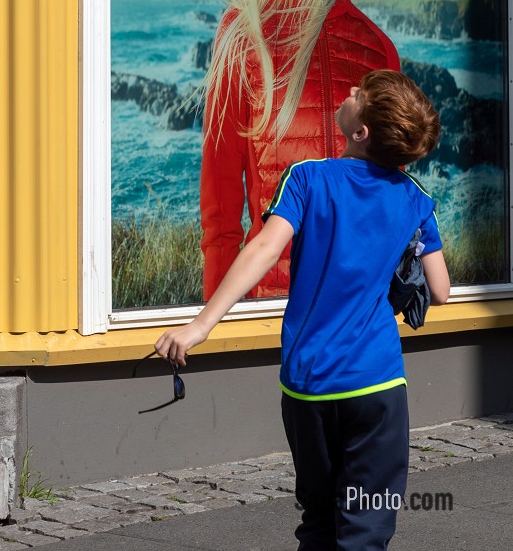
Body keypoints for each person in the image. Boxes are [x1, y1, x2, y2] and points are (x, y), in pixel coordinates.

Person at [159, 68, 451, 551]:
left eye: (358, 95)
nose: (350, 90)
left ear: (361, 132)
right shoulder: (416, 199)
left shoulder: (309, 178)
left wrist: (200, 325)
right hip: (377, 387)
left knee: (318, 521)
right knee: (365, 525)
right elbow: (439, 292)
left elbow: (262, 250)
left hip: (308, 389)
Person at [201, 0, 399, 299]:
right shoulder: (242, 35)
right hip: (271, 329)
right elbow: (221, 220)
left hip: (361, 341)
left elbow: (388, 214)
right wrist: (223, 341)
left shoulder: (380, 54)